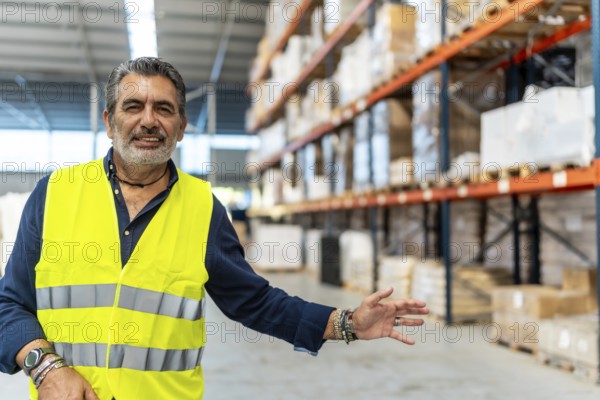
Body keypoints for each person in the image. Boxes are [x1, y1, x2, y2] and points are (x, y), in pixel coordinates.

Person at [0, 57, 429, 400]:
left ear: (182, 127)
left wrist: (349, 323)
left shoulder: (204, 208)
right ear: (109, 121)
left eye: (164, 109)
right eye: (134, 106)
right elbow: (9, 306)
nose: (149, 120)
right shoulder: (55, 193)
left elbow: (256, 303)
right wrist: (46, 368)